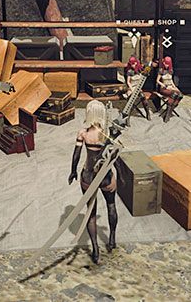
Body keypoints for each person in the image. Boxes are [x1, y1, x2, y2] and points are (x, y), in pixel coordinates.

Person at [68, 100, 117, 264]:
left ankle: (96, 249)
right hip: (106, 176)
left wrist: (73, 171)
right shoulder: (107, 134)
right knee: (111, 206)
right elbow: (114, 157)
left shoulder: (83, 133)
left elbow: (76, 154)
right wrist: (117, 176)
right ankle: (112, 238)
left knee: (91, 213)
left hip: (88, 176)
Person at [123, 56, 151, 120]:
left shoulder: (140, 69)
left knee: (144, 99)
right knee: (130, 101)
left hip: (138, 87)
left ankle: (147, 113)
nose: (132, 65)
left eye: (133, 64)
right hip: (132, 87)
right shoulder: (129, 71)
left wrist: (148, 68)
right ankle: (127, 118)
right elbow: (128, 82)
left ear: (136, 63)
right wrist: (132, 89)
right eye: (131, 64)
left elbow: (146, 71)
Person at [157, 56, 183, 122]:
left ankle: (169, 110)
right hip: (164, 88)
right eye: (165, 63)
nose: (166, 65)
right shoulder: (161, 70)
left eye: (167, 64)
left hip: (171, 87)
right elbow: (157, 81)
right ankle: (167, 114)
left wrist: (175, 87)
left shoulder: (171, 70)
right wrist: (165, 86)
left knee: (180, 95)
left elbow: (171, 80)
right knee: (174, 94)